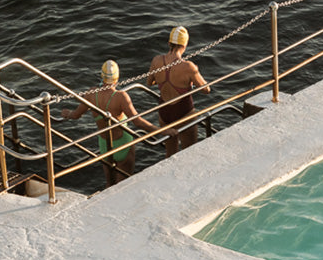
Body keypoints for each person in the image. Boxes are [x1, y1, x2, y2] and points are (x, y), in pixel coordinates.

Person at [61, 59, 155, 186]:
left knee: (110, 185)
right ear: (117, 77)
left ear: (102, 76)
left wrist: (67, 114)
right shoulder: (121, 97)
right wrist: (161, 130)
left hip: (104, 145)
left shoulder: (91, 94)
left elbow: (76, 115)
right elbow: (138, 122)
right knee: (124, 185)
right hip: (123, 144)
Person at [148, 26, 211, 158]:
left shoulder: (156, 61)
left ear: (169, 43)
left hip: (164, 111)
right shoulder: (188, 66)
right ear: (185, 44)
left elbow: (149, 83)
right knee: (190, 153)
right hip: (184, 111)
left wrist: (164, 80)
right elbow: (206, 90)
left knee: (170, 155)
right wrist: (195, 72)